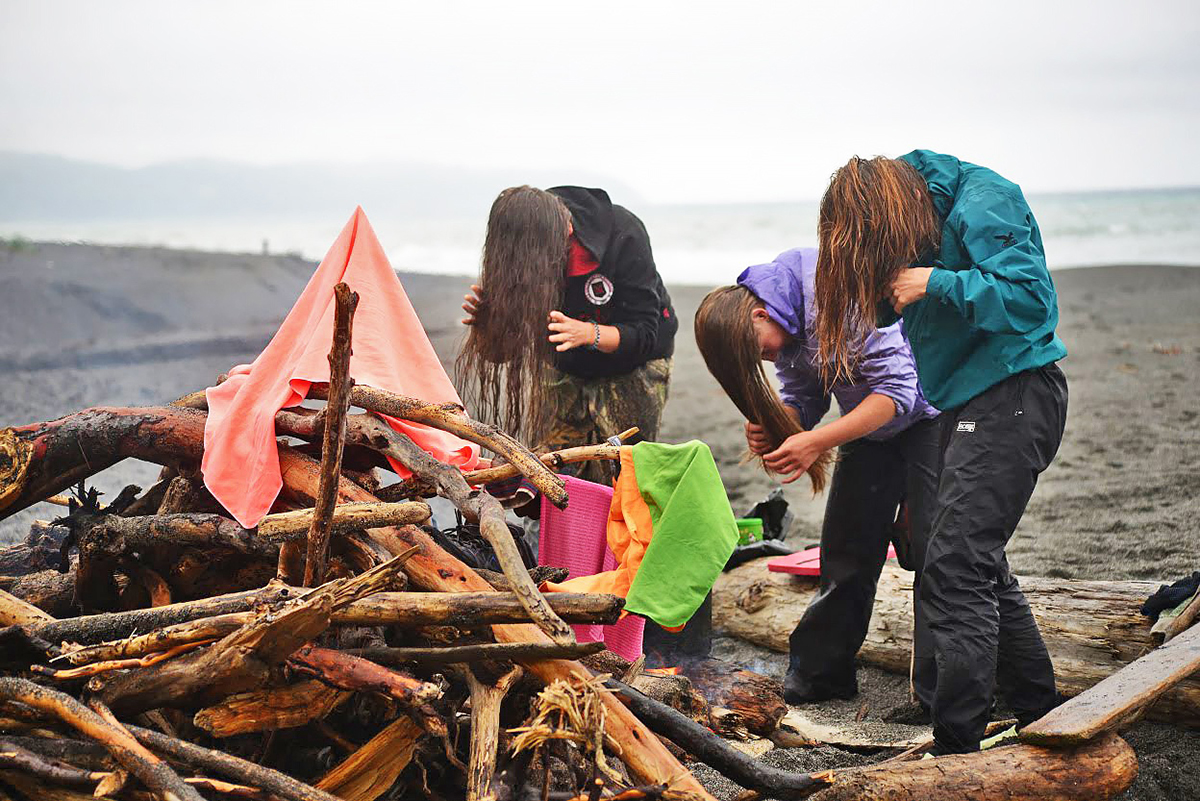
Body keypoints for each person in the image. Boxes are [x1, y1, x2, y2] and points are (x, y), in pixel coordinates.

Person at [812, 150, 1068, 754]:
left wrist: (937, 281)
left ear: (899, 209)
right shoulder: (902, 221)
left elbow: (1032, 301)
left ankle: (956, 743)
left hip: (1016, 391)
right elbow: (887, 303)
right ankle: (1039, 708)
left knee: (954, 565)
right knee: (975, 560)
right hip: (961, 401)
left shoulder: (985, 200)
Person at [694, 247, 940, 704]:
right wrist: (781, 425)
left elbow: (898, 392)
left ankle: (939, 693)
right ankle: (821, 677)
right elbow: (804, 393)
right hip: (869, 427)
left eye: (758, 351)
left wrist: (817, 442)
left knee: (934, 553)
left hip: (932, 416)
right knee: (844, 550)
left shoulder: (833, 296)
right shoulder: (784, 320)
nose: (766, 361)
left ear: (760, 315)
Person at [457, 186, 676, 484]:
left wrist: (589, 334)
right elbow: (500, 355)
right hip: (564, 366)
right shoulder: (520, 254)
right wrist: (487, 326)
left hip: (635, 364)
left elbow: (645, 334)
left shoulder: (622, 233)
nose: (570, 232)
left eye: (569, 229)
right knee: (553, 472)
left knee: (623, 470)